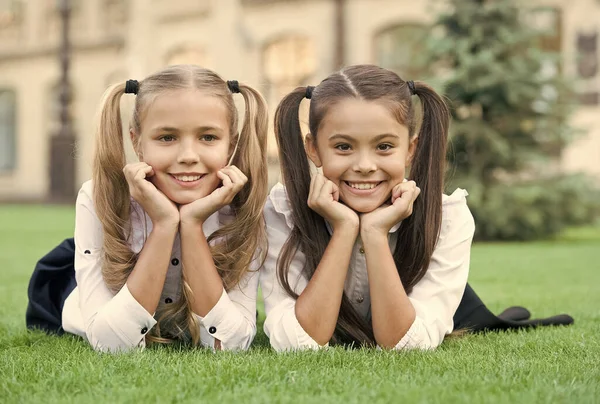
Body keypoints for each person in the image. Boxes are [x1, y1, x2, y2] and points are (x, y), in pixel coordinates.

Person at [260, 64, 573, 351]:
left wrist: (374, 232)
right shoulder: (283, 211)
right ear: (314, 149)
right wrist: (344, 229)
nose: (365, 166)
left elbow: (406, 344)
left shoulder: (448, 217)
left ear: (410, 149)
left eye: (384, 147)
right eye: (343, 147)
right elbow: (297, 343)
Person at [26, 65, 269, 353]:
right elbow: (111, 344)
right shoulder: (97, 197)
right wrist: (165, 224)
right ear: (137, 142)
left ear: (230, 145)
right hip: (83, 283)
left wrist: (190, 225)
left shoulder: (245, 205)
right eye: (167, 137)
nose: (188, 156)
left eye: (208, 138)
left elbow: (230, 344)